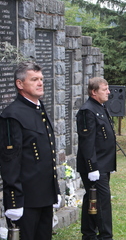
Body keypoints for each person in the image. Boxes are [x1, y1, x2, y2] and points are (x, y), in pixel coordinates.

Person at [0, 61, 61, 240]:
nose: (40, 83)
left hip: (44, 196)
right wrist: (14, 201)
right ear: (20, 84)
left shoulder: (39, 108)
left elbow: (46, 154)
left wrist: (54, 191)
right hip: (26, 199)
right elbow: (10, 161)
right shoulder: (12, 115)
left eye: (41, 79)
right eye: (34, 79)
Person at [76, 77, 116, 240]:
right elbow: (87, 143)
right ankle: (106, 236)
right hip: (95, 165)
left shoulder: (99, 107)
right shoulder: (88, 110)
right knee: (102, 201)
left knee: (91, 198)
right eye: (104, 89)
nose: (108, 92)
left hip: (103, 163)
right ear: (94, 92)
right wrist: (92, 168)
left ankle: (89, 233)